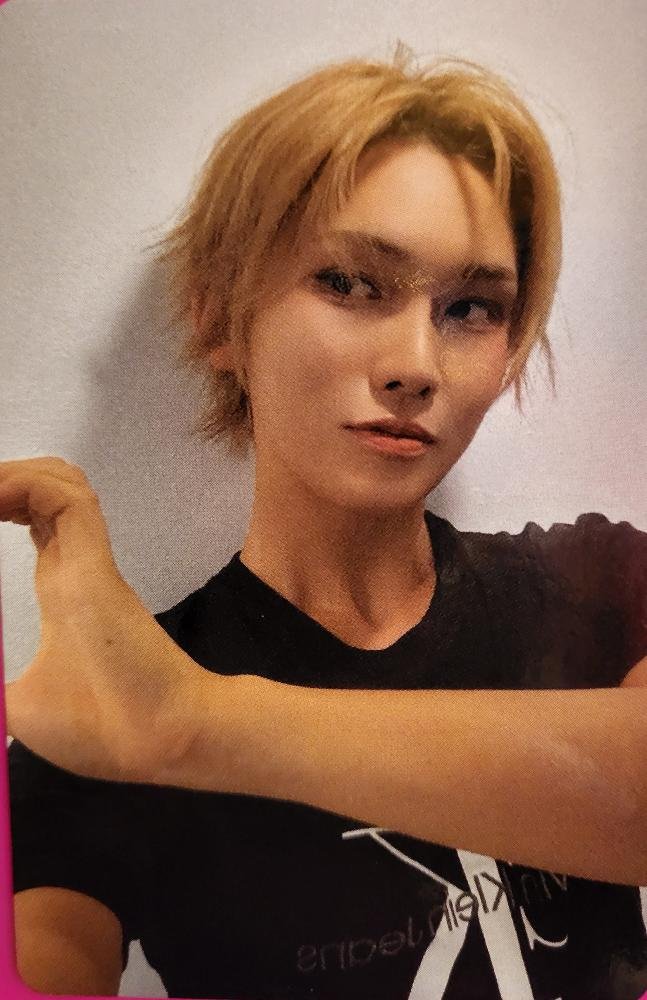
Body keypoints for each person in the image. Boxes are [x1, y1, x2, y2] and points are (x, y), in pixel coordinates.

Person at [2, 47, 647, 1000]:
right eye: (349, 283)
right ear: (218, 316)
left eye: (471, 307)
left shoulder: (595, 585)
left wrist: (192, 723)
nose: (414, 363)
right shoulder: (98, 723)